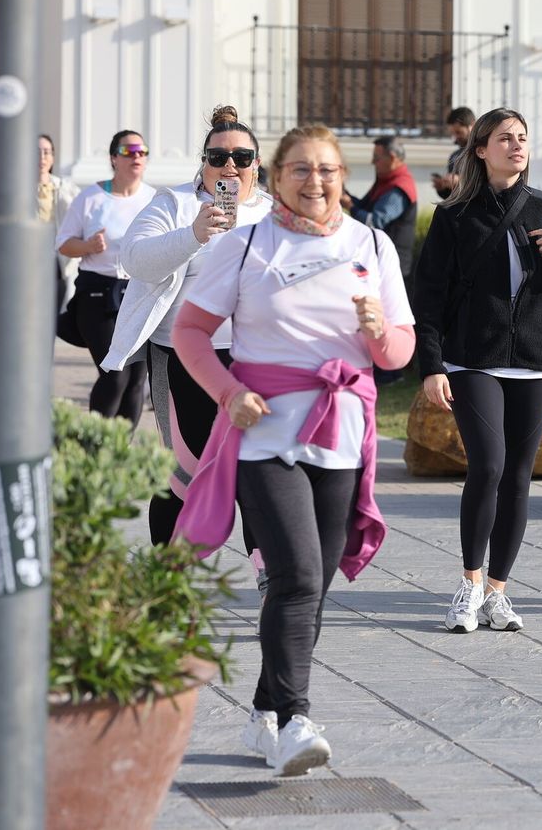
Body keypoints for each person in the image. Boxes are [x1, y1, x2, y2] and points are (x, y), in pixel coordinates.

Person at [171, 124, 414, 777]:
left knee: (312, 584)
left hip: (341, 437)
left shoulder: (372, 244)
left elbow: (399, 351)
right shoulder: (247, 243)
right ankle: (295, 720)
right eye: (301, 169)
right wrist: (228, 393)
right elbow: (190, 330)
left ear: (343, 177)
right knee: (299, 575)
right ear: (277, 177)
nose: (316, 181)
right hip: (265, 437)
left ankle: (263, 713)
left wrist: (379, 331)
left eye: (328, 169)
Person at [412, 107, 542, 634]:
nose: (517, 145)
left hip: (538, 364)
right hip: (473, 360)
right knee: (488, 466)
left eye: (522, 137)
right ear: (481, 150)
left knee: (519, 476)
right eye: (504, 138)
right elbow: (427, 297)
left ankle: (498, 591)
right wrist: (431, 365)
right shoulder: (454, 217)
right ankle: (470, 583)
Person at [102, 107, 272, 553]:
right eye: (218, 157)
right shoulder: (174, 205)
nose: (229, 167)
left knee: (258, 468)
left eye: (241, 157)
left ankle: (269, 575)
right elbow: (134, 259)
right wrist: (194, 234)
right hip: (183, 359)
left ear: (256, 164)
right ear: (204, 162)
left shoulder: (275, 213)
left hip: (256, 360)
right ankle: (165, 569)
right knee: (186, 469)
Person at [55, 129, 156, 424]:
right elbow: (63, 243)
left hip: (139, 293)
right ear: (113, 158)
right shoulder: (91, 198)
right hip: (98, 295)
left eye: (142, 151)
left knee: (136, 380)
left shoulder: (154, 198)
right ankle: (96, 441)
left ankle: (121, 446)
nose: (136, 156)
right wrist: (88, 246)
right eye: (128, 151)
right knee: (115, 374)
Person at [344, 135, 418, 287]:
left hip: (394, 266)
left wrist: (350, 206)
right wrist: (344, 195)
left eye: (376, 158)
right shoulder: (385, 181)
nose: (372, 162)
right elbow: (364, 206)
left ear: (392, 158)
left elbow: (374, 222)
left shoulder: (400, 187)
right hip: (380, 261)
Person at [38, 133, 81, 318]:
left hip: (58, 260)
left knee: (55, 312)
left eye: (46, 152)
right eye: (37, 152)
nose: (42, 158)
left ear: (53, 157)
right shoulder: (18, 188)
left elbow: (82, 214)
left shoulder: (65, 187)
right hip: (30, 257)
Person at [431, 106, 474, 200]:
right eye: (453, 133)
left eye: (459, 132)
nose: (455, 137)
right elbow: (451, 197)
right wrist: (443, 188)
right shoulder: (454, 156)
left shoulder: (484, 153)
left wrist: (461, 181)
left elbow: (489, 184)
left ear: (472, 126)